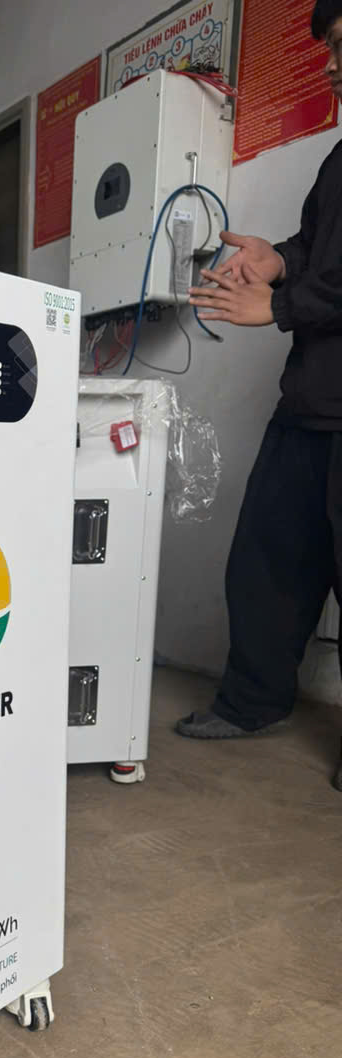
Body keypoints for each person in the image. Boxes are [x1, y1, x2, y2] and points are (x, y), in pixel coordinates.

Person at [177, 0, 342, 788]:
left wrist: (277, 306)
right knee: (267, 561)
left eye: (341, 46)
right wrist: (278, 259)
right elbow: (322, 252)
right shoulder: (339, 162)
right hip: (310, 399)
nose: (332, 66)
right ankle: (251, 702)